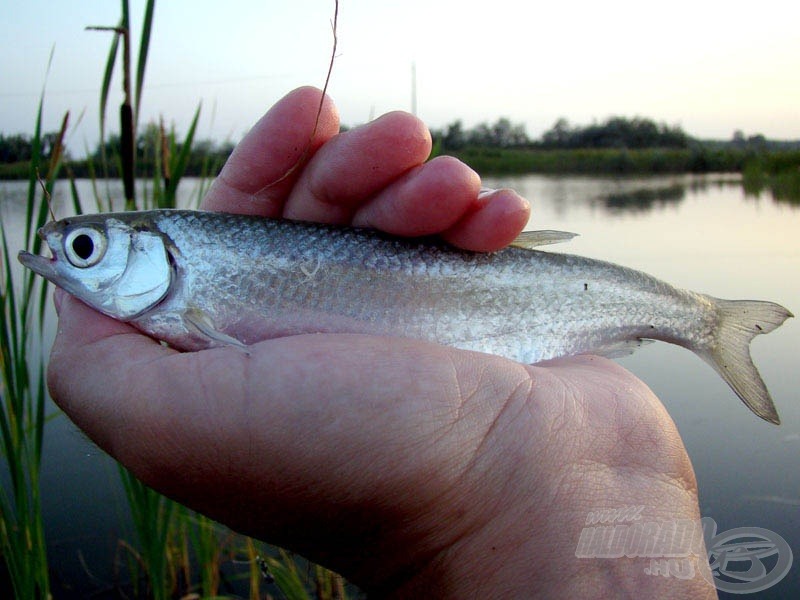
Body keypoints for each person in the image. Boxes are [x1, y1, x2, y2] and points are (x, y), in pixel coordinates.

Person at [47, 87, 717, 598]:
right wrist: (503, 508)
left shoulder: (185, 285)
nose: (67, 262)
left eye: (83, 249)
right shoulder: (179, 294)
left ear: (156, 255)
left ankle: (705, 319)